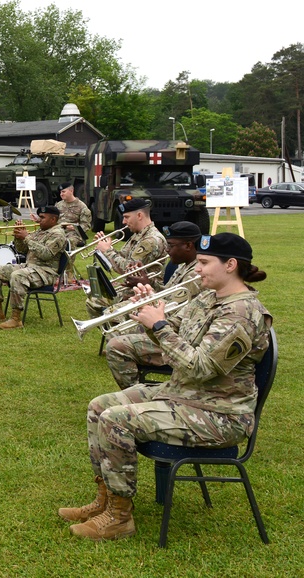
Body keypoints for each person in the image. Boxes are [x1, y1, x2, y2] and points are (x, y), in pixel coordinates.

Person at [59, 233, 272, 541]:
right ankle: (105, 501)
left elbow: (201, 367)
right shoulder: (208, 296)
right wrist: (152, 313)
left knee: (116, 419)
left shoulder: (241, 313)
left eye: (204, 263)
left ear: (231, 265)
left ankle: (119, 519)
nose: (197, 269)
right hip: (186, 396)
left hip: (219, 413)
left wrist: (158, 325)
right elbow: (177, 335)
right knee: (99, 406)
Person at [104, 221, 204, 389]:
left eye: (171, 245)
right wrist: (147, 283)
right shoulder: (184, 266)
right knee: (116, 319)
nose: (167, 250)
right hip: (168, 325)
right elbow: (168, 292)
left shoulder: (196, 273)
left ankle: (133, 391)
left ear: (188, 246)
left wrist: (149, 297)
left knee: (119, 332)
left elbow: (171, 308)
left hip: (174, 332)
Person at [0, 206, 67, 329]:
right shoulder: (40, 231)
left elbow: (46, 254)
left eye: (42, 217)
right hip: (30, 267)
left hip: (45, 272)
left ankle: (16, 319)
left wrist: (26, 237)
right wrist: (18, 237)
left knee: (18, 275)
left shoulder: (58, 235)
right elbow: (22, 250)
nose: (38, 220)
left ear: (53, 220)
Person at [85, 198, 167, 318]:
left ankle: (113, 332)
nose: (123, 221)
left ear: (139, 215)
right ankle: (110, 330)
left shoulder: (151, 240)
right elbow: (122, 256)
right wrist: (105, 247)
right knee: (94, 298)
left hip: (145, 291)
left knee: (96, 302)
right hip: (133, 288)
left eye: (127, 217)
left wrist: (107, 250)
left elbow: (129, 270)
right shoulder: (138, 235)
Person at [55, 182, 90, 279]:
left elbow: (86, 225)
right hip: (59, 233)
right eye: (60, 192)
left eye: (63, 192)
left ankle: (68, 273)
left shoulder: (82, 207)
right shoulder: (58, 205)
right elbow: (53, 221)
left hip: (75, 235)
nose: (61, 194)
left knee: (69, 242)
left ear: (71, 191)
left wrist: (74, 227)